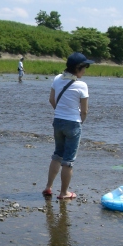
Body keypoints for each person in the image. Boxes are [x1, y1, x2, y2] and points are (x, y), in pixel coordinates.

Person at [42, 52, 93, 200]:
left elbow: (51, 99)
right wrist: (80, 121)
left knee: (57, 154)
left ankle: (48, 187)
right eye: (85, 67)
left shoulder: (57, 78)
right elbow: (84, 111)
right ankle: (64, 193)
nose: (85, 71)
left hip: (58, 121)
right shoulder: (82, 85)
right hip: (73, 123)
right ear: (78, 68)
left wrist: (60, 112)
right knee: (68, 161)